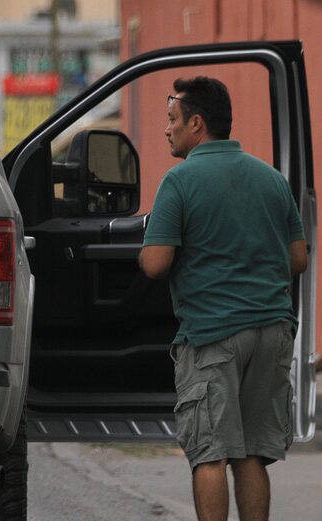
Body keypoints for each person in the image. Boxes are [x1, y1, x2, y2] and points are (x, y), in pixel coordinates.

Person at [139, 76, 308, 521]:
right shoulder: (272, 180)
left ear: (197, 123)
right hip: (273, 333)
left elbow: (156, 263)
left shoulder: (179, 182)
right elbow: (298, 259)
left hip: (213, 337)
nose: (167, 129)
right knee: (251, 455)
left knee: (210, 453)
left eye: (172, 119)